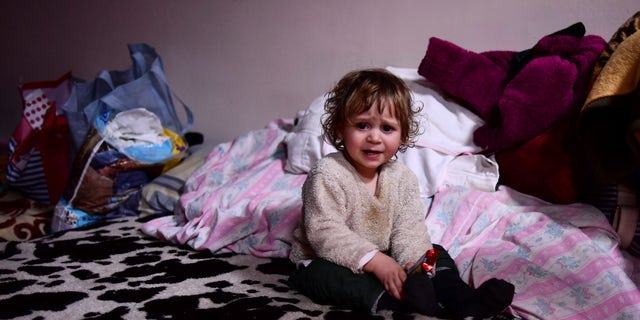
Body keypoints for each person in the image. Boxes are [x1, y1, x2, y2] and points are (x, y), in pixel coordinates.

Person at [288, 68, 515, 318]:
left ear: (402, 134)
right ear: (341, 129)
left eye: (387, 128)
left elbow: (409, 230)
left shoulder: (402, 178)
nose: (374, 137)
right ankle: (397, 302)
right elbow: (324, 232)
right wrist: (375, 262)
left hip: (386, 256)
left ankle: (460, 298)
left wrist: (415, 266)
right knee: (325, 274)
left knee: (434, 252)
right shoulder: (327, 173)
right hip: (329, 259)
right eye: (362, 126)